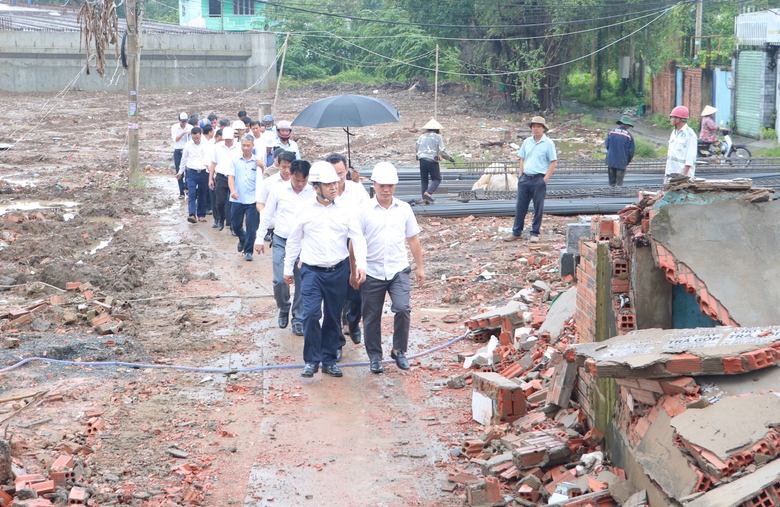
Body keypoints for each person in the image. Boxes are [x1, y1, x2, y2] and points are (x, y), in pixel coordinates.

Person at [284, 162, 367, 378]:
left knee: (332, 316)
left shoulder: (346, 210)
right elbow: (293, 241)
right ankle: (312, 360)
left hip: (338, 271)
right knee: (311, 314)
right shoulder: (304, 210)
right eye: (328, 184)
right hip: (312, 271)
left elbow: (358, 238)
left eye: (336, 182)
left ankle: (329, 359)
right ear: (316, 187)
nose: (334, 187)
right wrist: (287, 269)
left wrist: (361, 266)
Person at [357, 162, 424, 374]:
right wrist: (355, 269)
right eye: (382, 185)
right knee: (371, 316)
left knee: (403, 308)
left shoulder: (404, 209)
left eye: (391, 186)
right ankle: (375, 357)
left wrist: (420, 267)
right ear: (374, 185)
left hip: (398, 269)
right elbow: (355, 241)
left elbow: (412, 238)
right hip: (372, 271)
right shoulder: (363, 210)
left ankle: (399, 350)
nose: (386, 190)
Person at [256, 160, 314, 335]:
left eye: (304, 180)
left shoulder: (312, 192)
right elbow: (267, 215)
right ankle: (283, 305)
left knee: (302, 281)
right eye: (297, 180)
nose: (301, 184)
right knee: (280, 280)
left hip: (304, 243)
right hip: (282, 240)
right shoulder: (278, 190)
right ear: (291, 175)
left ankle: (298, 317)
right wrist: (259, 237)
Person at [326, 152, 369, 357]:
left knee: (358, 291)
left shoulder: (356, 190)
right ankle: (337, 343)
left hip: (355, 243)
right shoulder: (321, 193)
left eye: (341, 174)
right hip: (333, 248)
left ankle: (353, 320)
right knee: (335, 297)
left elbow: (366, 216)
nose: (338, 179)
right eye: (333, 175)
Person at [503, 116, 557, 244]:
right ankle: (516, 232)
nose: (536, 129)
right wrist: (520, 175)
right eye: (533, 126)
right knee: (520, 206)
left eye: (538, 126)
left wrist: (545, 179)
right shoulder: (527, 142)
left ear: (543, 128)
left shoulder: (548, 143)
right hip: (525, 178)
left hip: (539, 179)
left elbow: (553, 162)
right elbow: (522, 158)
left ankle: (534, 233)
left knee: (538, 207)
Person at [228, 134, 260, 262]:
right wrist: (232, 191)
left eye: (248, 145)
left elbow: (264, 177)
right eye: (243, 145)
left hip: (253, 199)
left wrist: (263, 166)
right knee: (235, 225)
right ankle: (242, 238)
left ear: (253, 146)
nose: (246, 148)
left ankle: (248, 251)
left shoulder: (258, 161)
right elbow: (231, 177)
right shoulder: (235, 160)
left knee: (252, 227)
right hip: (238, 198)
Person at [415, 118, 454, 204]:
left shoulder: (422, 137)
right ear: (436, 129)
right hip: (432, 160)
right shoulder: (437, 137)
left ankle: (424, 198)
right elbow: (442, 151)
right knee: (437, 179)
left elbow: (416, 147)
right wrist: (450, 159)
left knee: (424, 180)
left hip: (422, 160)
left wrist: (418, 155)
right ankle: (428, 193)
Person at [178, 126, 212, 224]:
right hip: (191, 172)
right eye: (194, 138)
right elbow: (184, 159)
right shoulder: (188, 145)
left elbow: (209, 159)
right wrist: (180, 172)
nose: (196, 140)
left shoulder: (206, 145)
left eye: (197, 138)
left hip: (203, 172)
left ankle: (201, 215)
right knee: (192, 193)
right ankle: (192, 214)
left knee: (202, 193)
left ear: (200, 135)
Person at [208, 127, 240, 231]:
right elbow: (214, 162)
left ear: (234, 137)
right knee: (220, 201)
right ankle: (221, 219)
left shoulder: (239, 147)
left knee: (234, 203)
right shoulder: (217, 147)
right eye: (226, 139)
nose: (228, 141)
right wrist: (210, 179)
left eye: (229, 139)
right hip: (221, 176)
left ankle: (233, 226)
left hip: (235, 177)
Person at [665, 106, 698, 182]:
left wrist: (683, 176)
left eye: (673, 117)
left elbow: (690, 158)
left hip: (682, 177)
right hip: (671, 175)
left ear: (679, 119)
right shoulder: (674, 133)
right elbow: (670, 156)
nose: (671, 120)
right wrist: (666, 175)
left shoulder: (690, 134)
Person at [604, 115, 635, 188]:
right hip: (621, 162)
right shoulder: (629, 136)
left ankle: (610, 195)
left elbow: (607, 145)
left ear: (621, 123)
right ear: (627, 125)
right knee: (618, 185)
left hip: (610, 160)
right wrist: (627, 161)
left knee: (611, 183)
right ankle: (617, 197)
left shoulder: (611, 132)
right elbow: (631, 152)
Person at [171, 112, 192, 199]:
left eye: (185, 121)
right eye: (182, 121)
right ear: (179, 120)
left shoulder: (190, 127)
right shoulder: (175, 127)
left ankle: (187, 188)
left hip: (187, 151)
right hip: (178, 150)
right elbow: (175, 139)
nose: (184, 123)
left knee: (188, 170)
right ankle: (181, 192)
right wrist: (183, 133)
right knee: (179, 171)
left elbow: (191, 140)